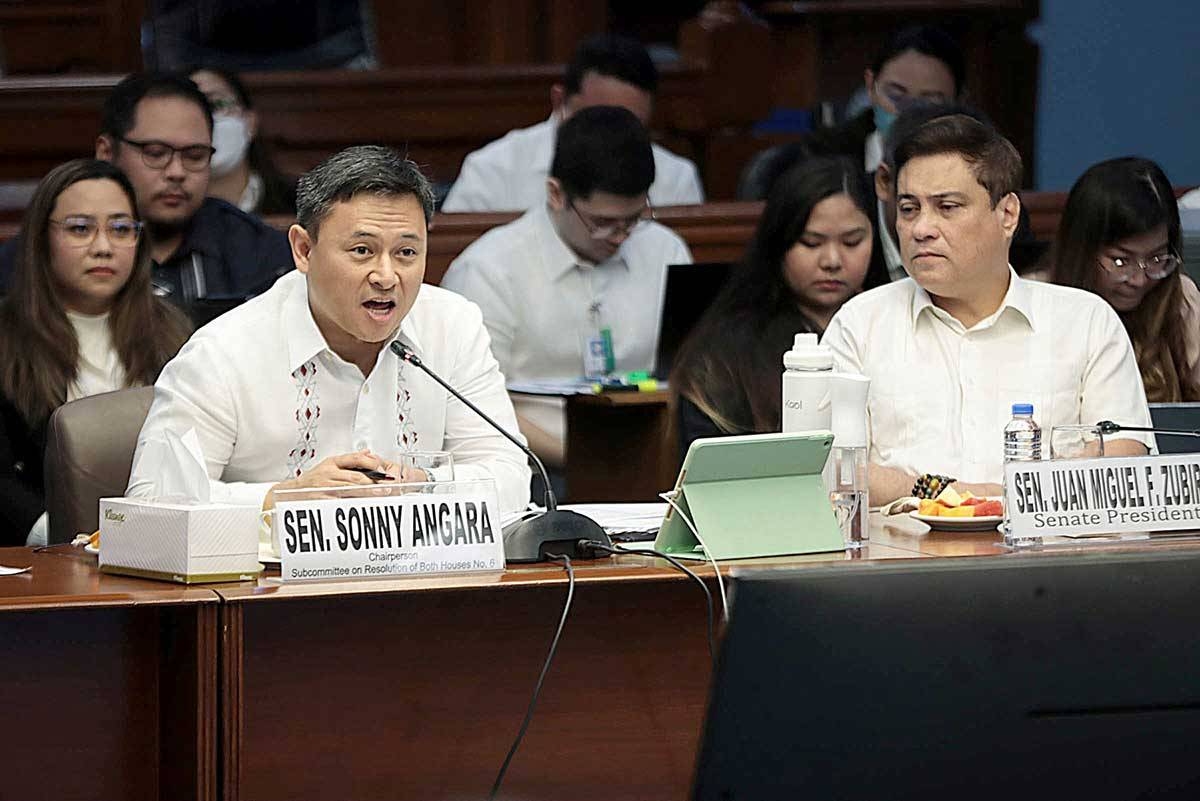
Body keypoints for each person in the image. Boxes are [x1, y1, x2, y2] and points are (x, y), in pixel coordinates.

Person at [127, 145, 531, 517]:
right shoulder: (222, 353)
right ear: (303, 250)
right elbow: (150, 503)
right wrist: (284, 497)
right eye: (362, 251)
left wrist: (426, 486)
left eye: (406, 252)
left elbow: (512, 473)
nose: (387, 276)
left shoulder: (452, 325)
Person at [821, 115, 1154, 505]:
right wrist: (953, 495)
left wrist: (1010, 500)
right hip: (900, 557)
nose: (921, 228)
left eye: (947, 206)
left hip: (1049, 558)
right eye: (909, 209)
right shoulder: (860, 325)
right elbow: (832, 467)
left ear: (1007, 214)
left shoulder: (1084, 322)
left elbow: (1126, 460)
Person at [441, 106, 692, 471]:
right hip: (537, 467)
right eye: (603, 223)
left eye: (634, 219)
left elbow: (691, 369)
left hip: (652, 456)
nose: (620, 237)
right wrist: (584, 459)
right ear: (556, 194)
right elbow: (471, 405)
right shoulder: (487, 270)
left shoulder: (666, 250)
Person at [0, 159, 191, 544]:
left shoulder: (181, 333)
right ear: (41, 238)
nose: (103, 247)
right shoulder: (5, 336)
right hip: (44, 558)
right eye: (81, 229)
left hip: (169, 543)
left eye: (121, 229)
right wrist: (62, 538)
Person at [0, 72, 293, 309]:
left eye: (194, 156)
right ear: (106, 152)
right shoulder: (37, 256)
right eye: (155, 153)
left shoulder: (262, 255)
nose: (176, 172)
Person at [673, 156, 882, 451]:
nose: (832, 261)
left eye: (852, 242)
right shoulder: (727, 352)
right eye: (811, 243)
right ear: (778, 242)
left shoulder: (891, 324)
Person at [441, 33, 704, 212]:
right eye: (596, 120)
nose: (611, 137)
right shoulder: (492, 170)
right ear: (559, 101)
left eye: (627, 125)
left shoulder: (676, 179)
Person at [743, 25, 964, 202]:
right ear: (871, 86)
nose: (908, 113)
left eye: (928, 103)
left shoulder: (974, 171)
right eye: (896, 96)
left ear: (957, 101)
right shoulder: (820, 157)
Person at [1050, 157, 1200, 403]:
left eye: (1156, 258)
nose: (1139, 280)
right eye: (1120, 261)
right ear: (1081, 251)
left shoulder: (1182, 299)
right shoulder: (1037, 300)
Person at [189, 67, 298, 216]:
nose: (205, 120)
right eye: (191, 110)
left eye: (215, 105)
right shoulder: (163, 214)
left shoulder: (299, 204)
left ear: (250, 123)